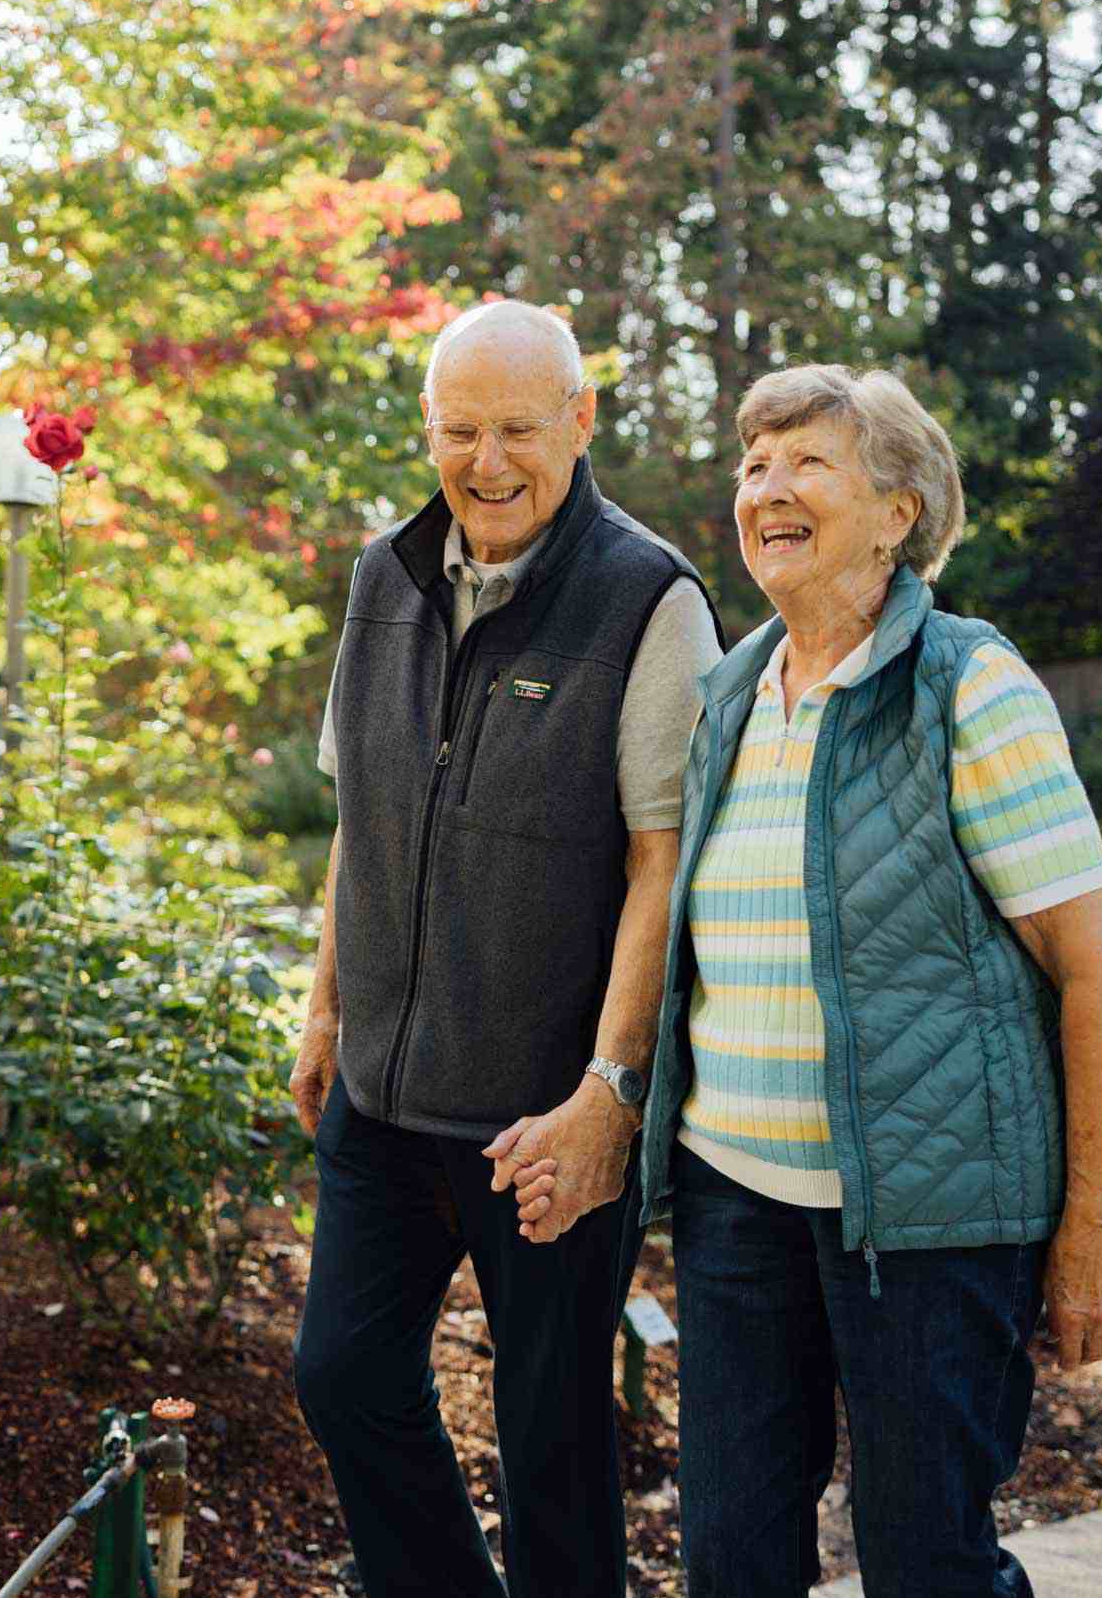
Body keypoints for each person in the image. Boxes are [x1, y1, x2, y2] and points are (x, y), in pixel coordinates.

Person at [515, 364, 1102, 1596]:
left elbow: (1094, 965)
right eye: (752, 464)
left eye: (807, 460)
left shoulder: (965, 686)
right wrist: (616, 1096)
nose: (766, 488)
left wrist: (1092, 1229)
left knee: (925, 1559)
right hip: (732, 1197)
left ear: (898, 509)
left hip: (928, 1220)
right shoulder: (732, 692)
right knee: (730, 1553)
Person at [289, 299, 725, 1598]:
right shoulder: (384, 578)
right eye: (459, 430)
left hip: (543, 1117)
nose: (487, 462)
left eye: (519, 430)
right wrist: (324, 1014)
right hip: (380, 1098)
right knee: (343, 1376)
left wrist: (608, 1096)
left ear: (580, 423)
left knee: (554, 1461)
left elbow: (664, 866)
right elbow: (356, 823)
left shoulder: (650, 599)